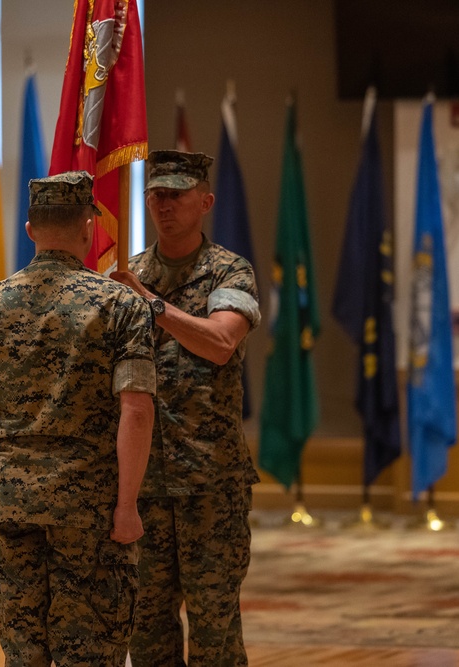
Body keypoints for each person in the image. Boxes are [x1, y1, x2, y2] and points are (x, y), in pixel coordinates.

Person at [0, 171, 157, 667]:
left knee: (24, 656)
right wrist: (126, 507)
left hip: (13, 508)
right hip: (94, 511)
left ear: (29, 230)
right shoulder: (121, 306)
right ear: (88, 227)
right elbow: (137, 410)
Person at [110, 150, 261, 666]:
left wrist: (149, 303)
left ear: (206, 201)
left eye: (177, 193)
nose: (165, 203)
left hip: (210, 483)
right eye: (156, 193)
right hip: (144, 483)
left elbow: (220, 342)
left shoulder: (229, 271)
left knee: (214, 627)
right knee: (146, 630)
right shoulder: (126, 274)